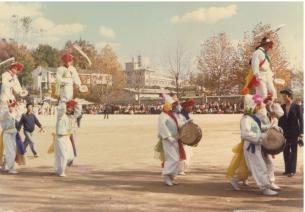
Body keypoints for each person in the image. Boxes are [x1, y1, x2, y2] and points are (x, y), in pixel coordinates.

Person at [233, 94, 278, 195]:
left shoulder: (253, 118)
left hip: (255, 146)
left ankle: (234, 179)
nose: (262, 106)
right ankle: (264, 188)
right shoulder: (246, 119)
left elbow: (260, 127)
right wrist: (261, 137)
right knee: (259, 166)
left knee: (250, 168)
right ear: (255, 106)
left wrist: (272, 126)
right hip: (251, 147)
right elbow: (246, 134)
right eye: (260, 105)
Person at [157, 94, 186, 186]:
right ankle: (166, 176)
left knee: (178, 159)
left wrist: (186, 124)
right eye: (172, 104)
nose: (174, 106)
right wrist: (168, 137)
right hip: (168, 140)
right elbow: (162, 127)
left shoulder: (172, 114)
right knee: (173, 158)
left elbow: (178, 124)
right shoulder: (163, 115)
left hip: (176, 139)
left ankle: (172, 177)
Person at [278, 88, 303, 177]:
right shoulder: (282, 107)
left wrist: (301, 132)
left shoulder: (297, 106)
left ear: (289, 96)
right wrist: (279, 130)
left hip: (294, 132)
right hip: (284, 132)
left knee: (293, 151)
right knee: (285, 151)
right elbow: (280, 120)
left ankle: (292, 170)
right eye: (283, 96)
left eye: (285, 96)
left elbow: (301, 119)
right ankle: (287, 170)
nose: (283, 98)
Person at [54, 100, 77, 177]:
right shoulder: (60, 115)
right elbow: (61, 109)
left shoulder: (70, 117)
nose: (70, 109)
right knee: (62, 155)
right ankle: (61, 171)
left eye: (71, 108)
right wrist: (64, 101)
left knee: (71, 156)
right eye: (69, 107)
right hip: (60, 137)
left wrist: (77, 104)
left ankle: (59, 169)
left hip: (67, 137)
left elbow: (78, 112)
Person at [177, 99, 195, 175]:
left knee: (186, 152)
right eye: (190, 106)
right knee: (183, 152)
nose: (191, 108)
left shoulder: (185, 114)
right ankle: (180, 169)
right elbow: (180, 125)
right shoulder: (181, 115)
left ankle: (182, 168)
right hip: (182, 137)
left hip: (186, 136)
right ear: (186, 107)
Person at [0, 101, 19, 174]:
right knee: (9, 151)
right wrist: (6, 105)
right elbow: (4, 113)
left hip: (13, 133)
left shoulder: (13, 114)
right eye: (11, 106)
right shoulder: (4, 114)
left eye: (13, 106)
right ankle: (11, 168)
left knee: (12, 150)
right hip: (7, 133)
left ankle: (5, 165)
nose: (12, 107)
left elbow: (17, 114)